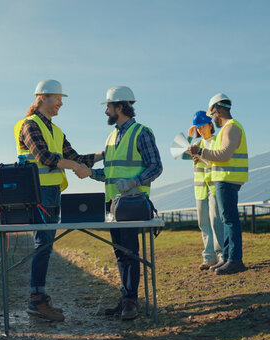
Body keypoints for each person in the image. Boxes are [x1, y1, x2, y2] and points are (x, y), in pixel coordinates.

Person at [15, 79, 98, 321]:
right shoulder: (29, 125)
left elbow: (77, 157)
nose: (61, 103)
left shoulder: (56, 131)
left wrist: (105, 154)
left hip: (51, 194)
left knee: (46, 247)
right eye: (58, 98)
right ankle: (36, 300)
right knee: (43, 246)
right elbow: (43, 156)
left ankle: (39, 298)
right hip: (36, 195)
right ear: (42, 97)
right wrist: (74, 166)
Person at [85, 86, 163, 320]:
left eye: (107, 107)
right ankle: (125, 298)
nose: (105, 111)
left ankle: (131, 302)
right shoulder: (111, 136)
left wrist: (133, 182)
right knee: (120, 254)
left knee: (130, 253)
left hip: (132, 204)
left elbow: (156, 166)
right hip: (113, 205)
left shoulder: (142, 132)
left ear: (119, 107)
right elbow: (110, 172)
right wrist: (88, 172)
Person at [189, 93, 248, 275]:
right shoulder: (226, 129)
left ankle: (235, 260)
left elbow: (224, 155)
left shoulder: (231, 128)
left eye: (212, 114)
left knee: (229, 221)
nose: (212, 117)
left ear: (217, 110)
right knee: (227, 219)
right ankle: (229, 258)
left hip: (227, 179)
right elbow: (217, 157)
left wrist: (201, 151)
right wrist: (201, 154)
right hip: (223, 179)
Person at [183, 111, 224, 270]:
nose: (200, 130)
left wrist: (201, 158)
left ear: (210, 125)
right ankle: (209, 258)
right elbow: (183, 154)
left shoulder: (217, 141)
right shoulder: (197, 144)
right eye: (198, 128)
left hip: (214, 186)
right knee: (204, 223)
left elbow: (219, 160)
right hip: (200, 189)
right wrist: (189, 137)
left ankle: (221, 255)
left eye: (202, 126)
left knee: (216, 222)